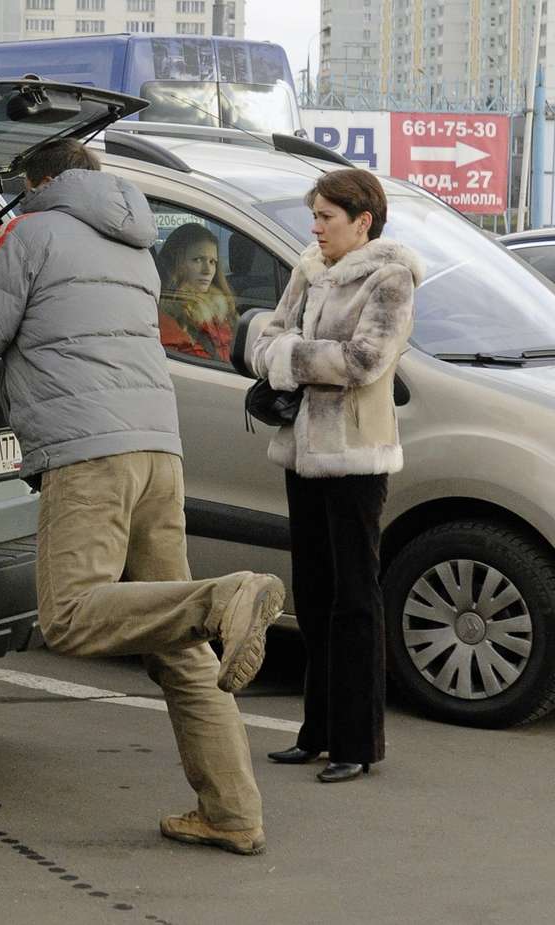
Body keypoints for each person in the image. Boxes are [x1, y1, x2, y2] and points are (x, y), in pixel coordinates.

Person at [0, 138, 285, 855]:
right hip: (157, 449)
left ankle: (224, 596)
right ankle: (232, 811)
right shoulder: (136, 242)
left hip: (89, 451)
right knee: (178, 645)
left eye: (24, 185)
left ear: (40, 181)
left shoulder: (29, 232)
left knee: (72, 614)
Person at [248, 168, 423, 784]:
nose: (315, 226)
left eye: (326, 216)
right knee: (315, 594)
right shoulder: (310, 267)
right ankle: (315, 732)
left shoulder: (390, 277)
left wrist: (288, 360)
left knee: (355, 599)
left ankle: (357, 742)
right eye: (314, 215)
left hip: (355, 454)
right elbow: (263, 337)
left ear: (362, 221)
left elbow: (365, 360)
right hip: (302, 451)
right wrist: (286, 356)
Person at [156, 223, 239, 363]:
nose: (207, 270)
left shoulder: (224, 311)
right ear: (177, 263)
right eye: (198, 260)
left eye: (212, 262)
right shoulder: (167, 318)